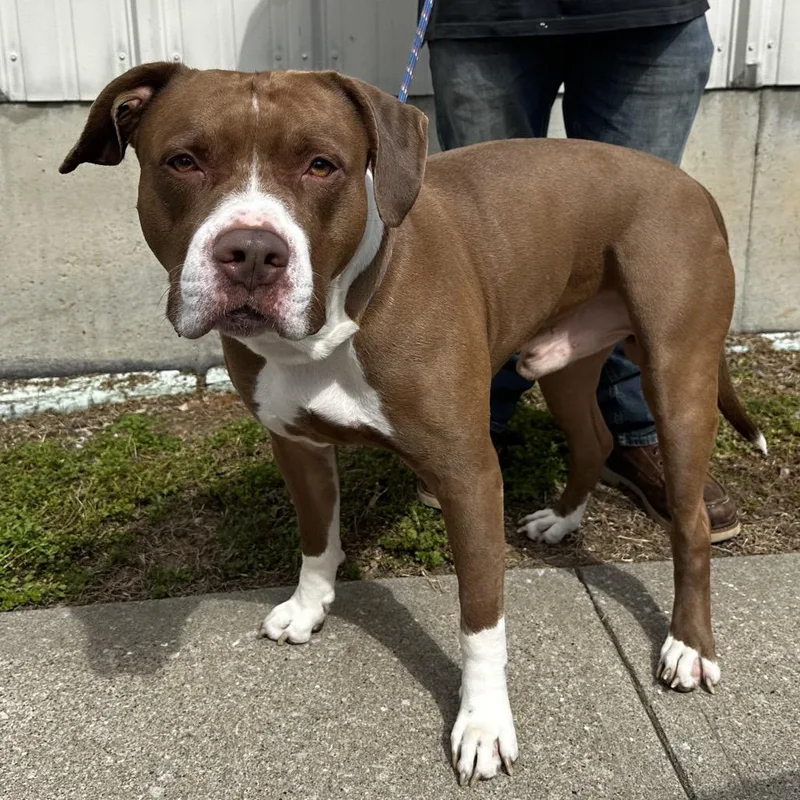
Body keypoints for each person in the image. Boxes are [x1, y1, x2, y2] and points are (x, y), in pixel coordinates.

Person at [417, 0, 740, 542]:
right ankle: (464, 429)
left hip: (648, 17)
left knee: (644, 258)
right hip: (485, 16)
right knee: (481, 256)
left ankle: (635, 433)